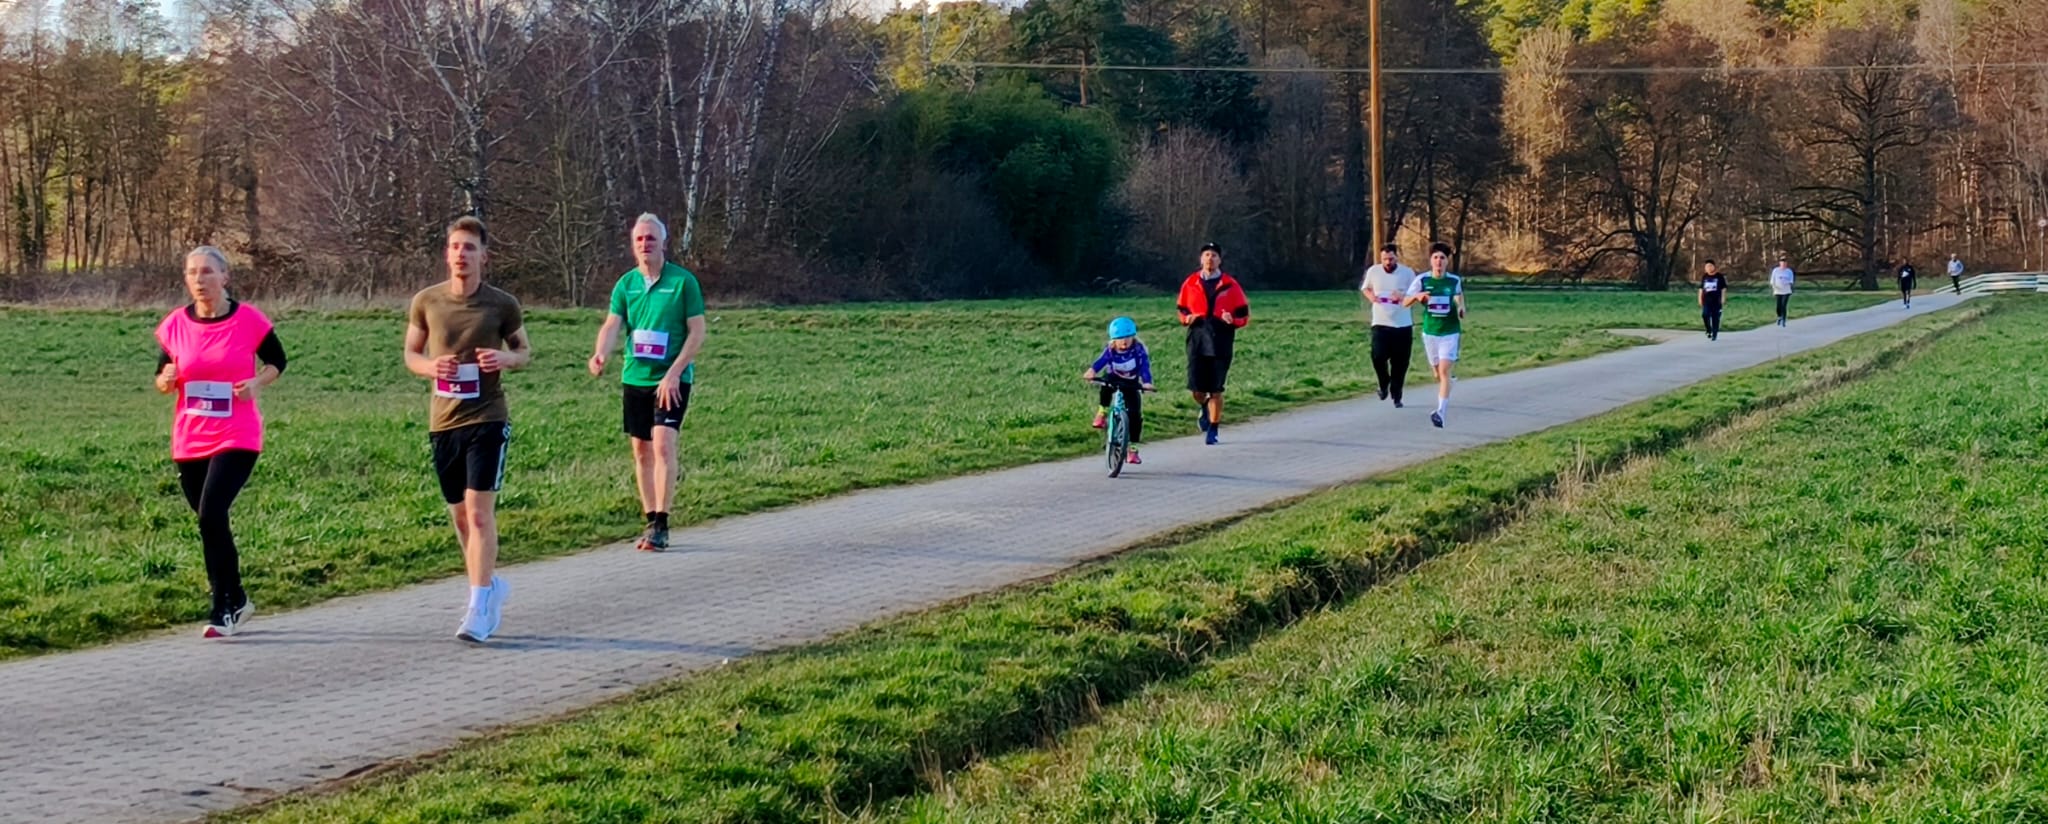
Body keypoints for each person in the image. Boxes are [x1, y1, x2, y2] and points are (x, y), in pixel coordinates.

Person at [405, 216, 531, 643]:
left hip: (488, 418)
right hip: (444, 421)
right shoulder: (427, 301)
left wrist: (505, 361)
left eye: (470, 248)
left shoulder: (502, 304)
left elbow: (524, 351)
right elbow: (411, 353)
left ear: (484, 257)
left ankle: (478, 607)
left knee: (479, 514)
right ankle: (489, 585)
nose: (462, 255)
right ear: (447, 253)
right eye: (456, 247)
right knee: (460, 517)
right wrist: (429, 367)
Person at [153, 246, 286, 638]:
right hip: (190, 438)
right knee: (210, 523)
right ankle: (239, 597)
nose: (199, 280)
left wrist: (257, 383)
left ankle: (221, 607)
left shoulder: (248, 320)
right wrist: (165, 381)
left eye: (207, 272)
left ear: (224, 278)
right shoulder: (175, 325)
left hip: (237, 434)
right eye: (192, 273)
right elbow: (162, 376)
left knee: (212, 513)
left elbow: (278, 360)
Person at [588, 213, 706, 552]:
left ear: (663, 242)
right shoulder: (626, 284)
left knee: (663, 444)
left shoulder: (683, 282)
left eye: (651, 238)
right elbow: (613, 324)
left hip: (671, 378)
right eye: (639, 239)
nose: (645, 244)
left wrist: (674, 372)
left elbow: (697, 331)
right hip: (635, 377)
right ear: (632, 245)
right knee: (641, 450)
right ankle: (649, 516)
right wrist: (601, 354)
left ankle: (662, 523)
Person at [1176, 242, 1249, 445]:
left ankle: (1214, 429)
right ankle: (1204, 406)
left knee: (1216, 388)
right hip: (1198, 337)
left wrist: (1232, 321)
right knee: (1196, 389)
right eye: (1207, 255)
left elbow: (1243, 314)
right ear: (1201, 259)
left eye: (1214, 255)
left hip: (1221, 338)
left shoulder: (1231, 285)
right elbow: (1181, 309)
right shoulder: (1190, 283)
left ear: (1220, 260)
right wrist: (1186, 319)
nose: (1210, 259)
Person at [1405, 242, 1465, 429]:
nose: (1439, 261)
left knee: (1444, 371)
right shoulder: (1422, 280)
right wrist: (1418, 296)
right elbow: (1405, 302)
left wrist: (1461, 307)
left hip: (1450, 332)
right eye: (1436, 257)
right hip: (1430, 332)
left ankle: (1440, 412)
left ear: (1447, 262)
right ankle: (1448, 383)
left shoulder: (1454, 280)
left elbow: (1458, 296)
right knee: (1437, 374)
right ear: (1431, 261)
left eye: (1442, 258)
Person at [1083, 316, 1155, 464]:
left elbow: (1144, 367)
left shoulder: (1138, 350)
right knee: (1105, 386)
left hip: (1131, 383)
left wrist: (1147, 383)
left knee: (1135, 414)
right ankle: (1102, 412)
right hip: (1114, 378)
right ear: (1113, 340)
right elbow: (1101, 361)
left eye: (1127, 338)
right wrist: (1092, 371)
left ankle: (1133, 449)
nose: (1124, 342)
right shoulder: (1111, 350)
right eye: (1120, 338)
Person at [1359, 242, 1416, 407]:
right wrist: (1371, 297)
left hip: (1402, 325)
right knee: (1378, 357)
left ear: (1396, 257)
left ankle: (1397, 395)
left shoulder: (1407, 273)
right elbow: (1366, 288)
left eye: (1391, 259)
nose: (1388, 263)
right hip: (1380, 323)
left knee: (1400, 363)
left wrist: (1403, 296)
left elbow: (1416, 294)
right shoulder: (1373, 271)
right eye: (1385, 259)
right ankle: (1384, 383)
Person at [1698, 260, 1728, 341]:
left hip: (1716, 301)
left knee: (1715, 318)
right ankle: (1708, 329)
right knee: (1705, 315)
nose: (1708, 268)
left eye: (1710, 266)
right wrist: (1700, 299)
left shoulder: (1719, 276)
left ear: (1714, 267)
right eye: (1707, 267)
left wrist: (1723, 298)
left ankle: (1714, 334)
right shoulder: (1704, 277)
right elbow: (1701, 289)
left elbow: (1723, 288)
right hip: (1707, 300)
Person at [1770, 257, 1795, 327]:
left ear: (1786, 264)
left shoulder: (1789, 271)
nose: (1783, 265)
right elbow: (1772, 281)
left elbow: (1791, 281)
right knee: (1778, 305)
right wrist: (1774, 288)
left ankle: (1784, 319)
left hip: (1786, 291)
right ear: (1780, 263)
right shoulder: (1775, 271)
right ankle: (1779, 316)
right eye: (1782, 263)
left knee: (1784, 305)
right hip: (1778, 291)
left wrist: (1785, 282)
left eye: (1785, 263)